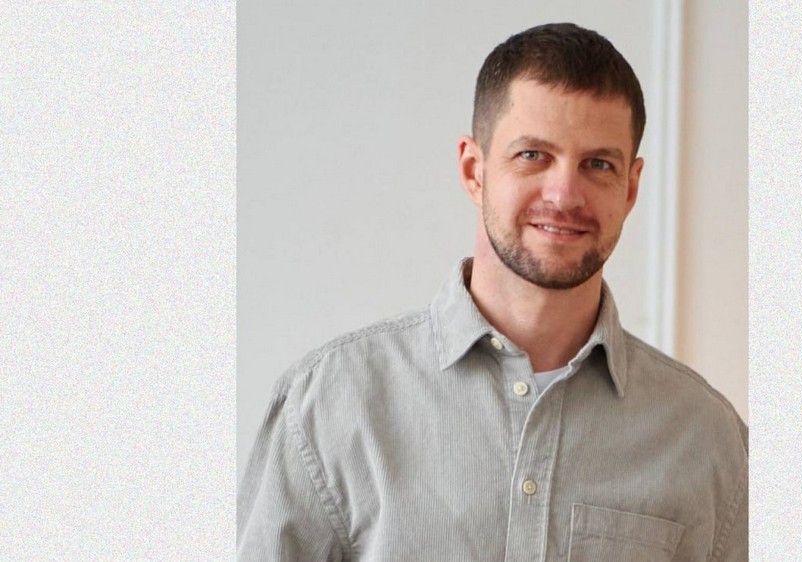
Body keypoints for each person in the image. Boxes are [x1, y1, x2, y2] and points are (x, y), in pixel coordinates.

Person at [238, 22, 747, 561]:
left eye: (598, 164)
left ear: (630, 188)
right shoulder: (330, 405)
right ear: (473, 170)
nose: (564, 195)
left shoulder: (707, 439)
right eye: (533, 155)